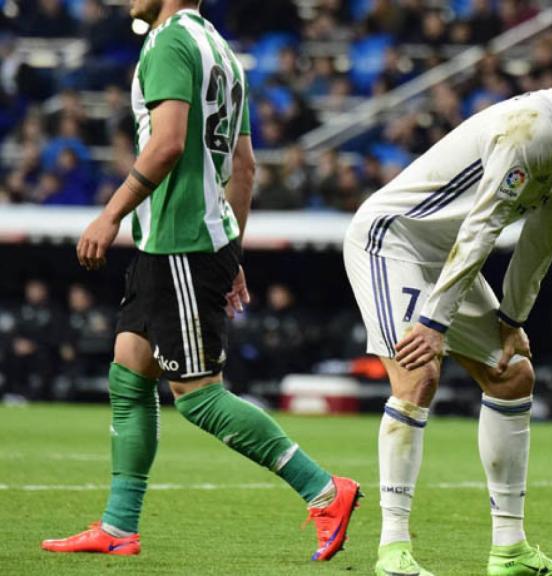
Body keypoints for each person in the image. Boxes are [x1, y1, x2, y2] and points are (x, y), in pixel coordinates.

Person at [41, 0, 360, 560]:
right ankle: (119, 527)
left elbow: (165, 145)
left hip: (179, 244)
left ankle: (324, 490)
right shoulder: (221, 51)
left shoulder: (169, 45)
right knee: (128, 376)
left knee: (199, 397)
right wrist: (232, 252)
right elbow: (245, 165)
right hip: (179, 245)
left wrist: (110, 213)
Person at [343, 38, 552, 576]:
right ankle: (393, 550)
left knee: (512, 376)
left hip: (446, 254)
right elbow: (483, 226)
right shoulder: (530, 130)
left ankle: (509, 551)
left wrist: (512, 319)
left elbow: (543, 231)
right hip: (393, 241)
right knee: (418, 377)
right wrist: (434, 324)